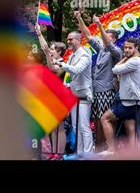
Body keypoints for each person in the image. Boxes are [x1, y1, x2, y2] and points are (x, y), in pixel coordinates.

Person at [75, 11, 122, 152]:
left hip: (107, 90)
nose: (102, 38)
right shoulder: (101, 49)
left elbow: (106, 43)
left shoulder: (116, 51)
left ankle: (109, 148)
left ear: (113, 39)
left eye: (106, 36)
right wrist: (79, 18)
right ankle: (100, 147)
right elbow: (88, 35)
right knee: (96, 121)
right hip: (96, 90)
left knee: (105, 120)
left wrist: (99, 24)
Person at [100, 38, 140, 154]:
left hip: (129, 100)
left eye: (130, 48)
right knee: (130, 129)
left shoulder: (134, 61)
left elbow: (115, 69)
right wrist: (126, 57)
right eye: (126, 48)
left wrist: (125, 58)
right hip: (130, 99)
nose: (127, 50)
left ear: (136, 49)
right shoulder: (132, 60)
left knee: (105, 118)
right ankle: (133, 154)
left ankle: (111, 149)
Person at [55, 31, 93, 154]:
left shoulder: (85, 54)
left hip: (84, 95)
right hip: (74, 95)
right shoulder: (72, 56)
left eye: (70, 39)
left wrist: (61, 63)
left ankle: (88, 154)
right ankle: (80, 152)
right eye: (67, 39)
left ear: (78, 40)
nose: (68, 41)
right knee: (76, 127)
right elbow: (71, 76)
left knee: (84, 126)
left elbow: (77, 70)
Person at [35, 23, 68, 155]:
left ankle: (60, 153)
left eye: (53, 49)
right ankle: (53, 153)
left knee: (60, 128)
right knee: (53, 128)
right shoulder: (53, 60)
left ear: (59, 51)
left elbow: (53, 69)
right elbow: (45, 48)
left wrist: (47, 54)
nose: (51, 50)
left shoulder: (64, 63)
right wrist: (39, 34)